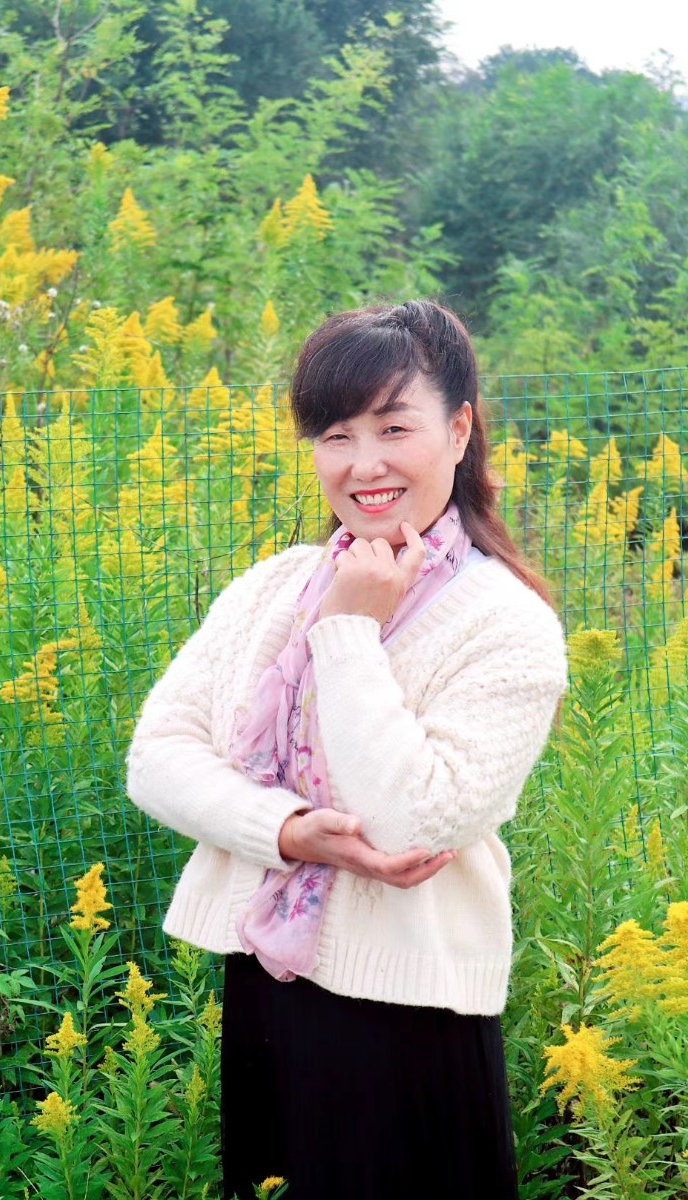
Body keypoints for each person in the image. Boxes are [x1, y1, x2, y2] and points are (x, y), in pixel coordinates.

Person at [125, 299, 569, 1199]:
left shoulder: (508, 624)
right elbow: (158, 757)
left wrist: (347, 633)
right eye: (336, 435)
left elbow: (414, 819)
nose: (364, 464)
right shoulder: (274, 588)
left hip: (414, 1016)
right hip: (268, 990)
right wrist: (286, 831)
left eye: (394, 427)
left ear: (459, 430)